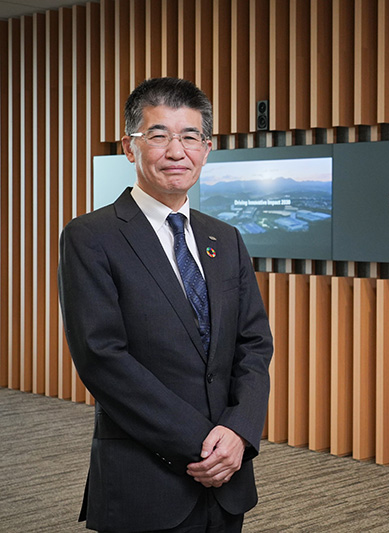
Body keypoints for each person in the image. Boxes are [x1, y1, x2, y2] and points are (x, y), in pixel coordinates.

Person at [58, 77, 273, 533]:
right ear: (129, 147)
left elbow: (254, 344)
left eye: (190, 137)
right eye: (159, 135)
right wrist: (202, 445)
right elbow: (102, 358)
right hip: (146, 478)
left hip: (229, 475)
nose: (177, 151)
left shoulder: (225, 238)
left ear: (207, 149)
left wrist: (239, 431)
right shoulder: (91, 237)